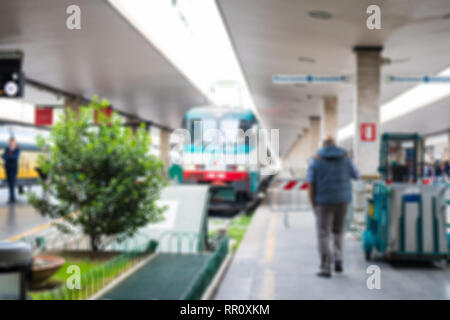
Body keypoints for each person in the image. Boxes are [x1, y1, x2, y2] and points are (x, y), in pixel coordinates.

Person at [305, 135, 359, 278]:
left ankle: (325, 267)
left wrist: (313, 204)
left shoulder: (315, 160)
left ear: (323, 145)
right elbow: (356, 175)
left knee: (323, 234)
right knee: (339, 231)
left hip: (323, 202)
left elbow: (310, 184)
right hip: (343, 200)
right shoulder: (346, 158)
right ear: (335, 144)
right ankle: (339, 259)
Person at [2, 137, 20, 203]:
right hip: (7, 168)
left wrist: (8, 156)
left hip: (13, 168)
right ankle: (11, 198)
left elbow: (15, 158)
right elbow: (3, 156)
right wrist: (9, 156)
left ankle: (12, 199)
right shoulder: (7, 149)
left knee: (12, 184)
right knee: (9, 184)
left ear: (14, 142)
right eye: (10, 142)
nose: (11, 143)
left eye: (12, 142)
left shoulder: (17, 149)